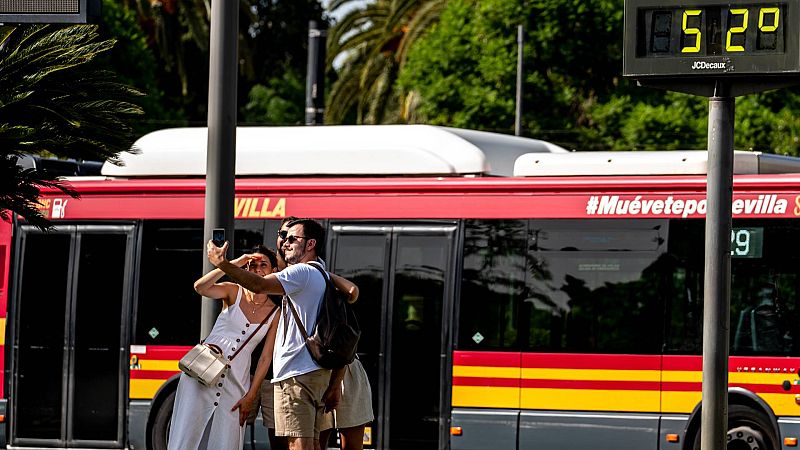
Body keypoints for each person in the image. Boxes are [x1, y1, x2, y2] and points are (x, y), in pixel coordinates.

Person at [208, 218, 344, 450]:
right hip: (314, 372)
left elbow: (259, 285)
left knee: (297, 444)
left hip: (296, 373)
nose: (285, 243)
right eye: (284, 237)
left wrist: (223, 264)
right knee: (310, 444)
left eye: (292, 239)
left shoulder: (301, 272)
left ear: (310, 244)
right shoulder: (320, 272)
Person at [168, 245, 280, 450]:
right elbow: (200, 287)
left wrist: (250, 396)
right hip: (203, 371)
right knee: (186, 437)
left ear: (274, 271)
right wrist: (231, 264)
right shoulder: (233, 291)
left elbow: (266, 357)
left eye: (263, 265)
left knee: (226, 440)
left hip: (237, 382)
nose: (257, 269)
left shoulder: (275, 312)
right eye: (252, 265)